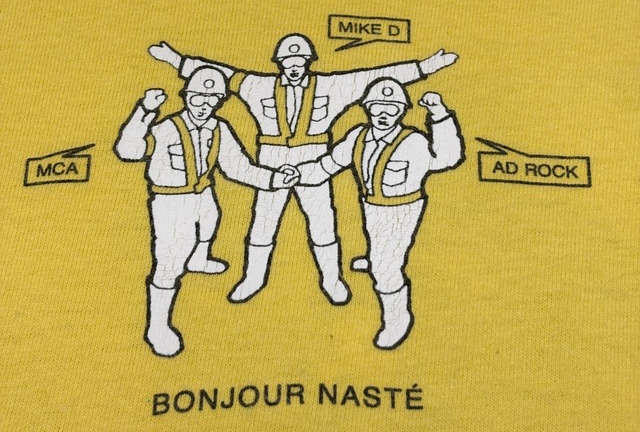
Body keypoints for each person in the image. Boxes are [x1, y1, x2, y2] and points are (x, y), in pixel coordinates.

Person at [148, 34, 458, 307]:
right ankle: (253, 278)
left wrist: (426, 67)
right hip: (271, 157)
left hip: (315, 156)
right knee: (263, 221)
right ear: (279, 62)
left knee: (322, 220)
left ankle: (331, 279)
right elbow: (220, 75)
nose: (294, 67)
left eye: (300, 61)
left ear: (309, 61)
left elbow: (374, 76)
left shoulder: (332, 86)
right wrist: (175, 60)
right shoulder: (257, 85)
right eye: (288, 61)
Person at [114, 67, 298, 357]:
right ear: (186, 95)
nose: (204, 104)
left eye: (213, 99)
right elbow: (128, 151)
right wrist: (145, 111)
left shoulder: (219, 128)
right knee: (170, 261)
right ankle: (157, 326)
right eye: (198, 97)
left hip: (202, 193)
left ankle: (198, 259)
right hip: (171, 201)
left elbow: (239, 167)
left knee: (210, 219)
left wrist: (274, 179)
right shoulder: (166, 128)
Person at [296, 78, 464, 350]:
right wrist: (298, 174)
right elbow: (328, 164)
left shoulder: (413, 141)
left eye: (392, 108)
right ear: (367, 108)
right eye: (376, 107)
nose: (383, 114)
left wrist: (439, 114)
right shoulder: (358, 136)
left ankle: (397, 318)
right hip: (372, 206)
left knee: (387, 267)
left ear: (402, 112)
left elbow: (447, 158)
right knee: (378, 244)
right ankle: (376, 259)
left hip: (402, 209)